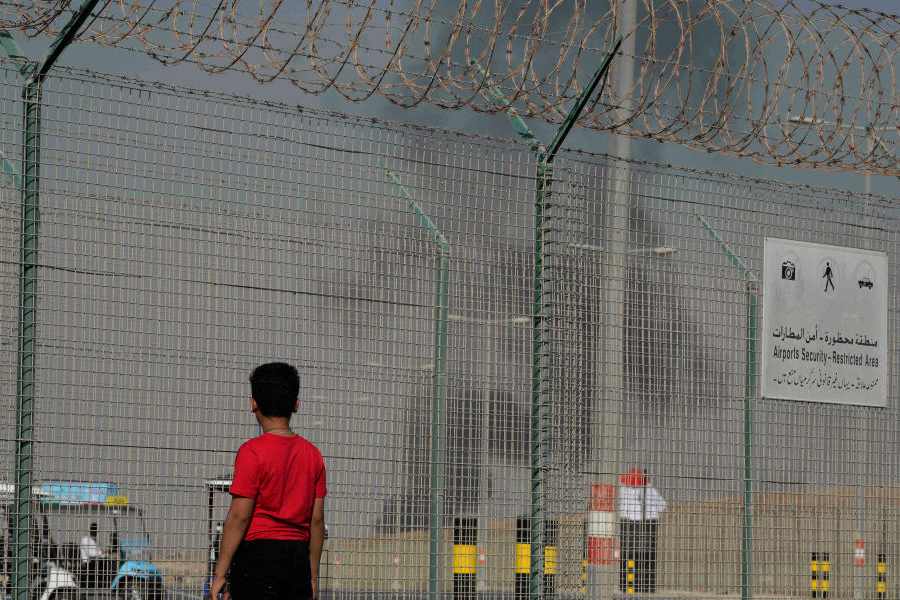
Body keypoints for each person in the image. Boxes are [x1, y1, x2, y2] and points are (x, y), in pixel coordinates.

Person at [210, 362, 327, 600]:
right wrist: (312, 575)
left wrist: (220, 573)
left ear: (253, 404)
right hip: (297, 560)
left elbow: (239, 516)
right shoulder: (313, 455)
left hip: (257, 558)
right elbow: (316, 520)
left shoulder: (251, 452)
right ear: (296, 404)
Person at [618, 468, 666, 594]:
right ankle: (647, 588)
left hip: (627, 526)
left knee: (627, 558)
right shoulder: (649, 490)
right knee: (647, 559)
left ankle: (627, 588)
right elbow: (662, 506)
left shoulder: (622, 490)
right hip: (648, 526)